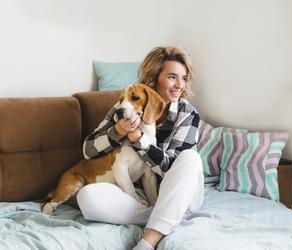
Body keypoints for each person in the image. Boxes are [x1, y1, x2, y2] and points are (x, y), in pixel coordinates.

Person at [77, 46, 204, 250]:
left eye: (183, 78)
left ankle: (148, 241)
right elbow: (88, 150)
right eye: (172, 77)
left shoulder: (188, 114)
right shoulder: (126, 106)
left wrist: (139, 139)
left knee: (190, 158)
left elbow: (170, 166)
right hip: (145, 198)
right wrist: (116, 132)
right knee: (87, 197)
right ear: (154, 78)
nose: (179, 85)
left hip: (181, 194)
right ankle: (163, 219)